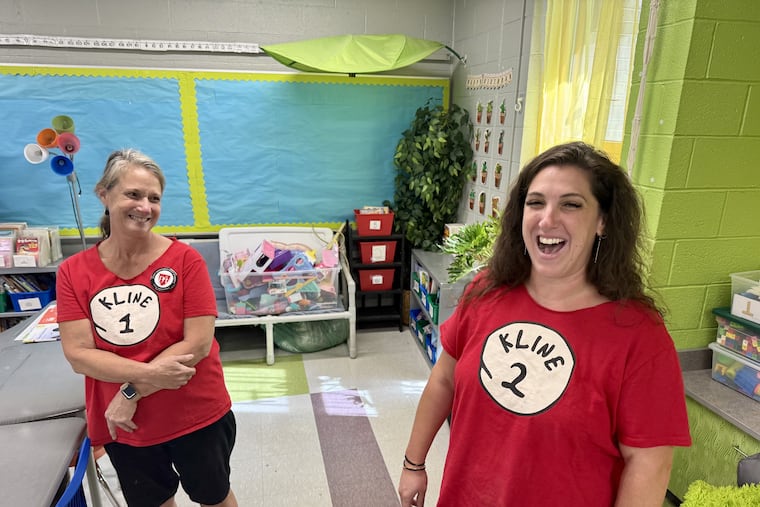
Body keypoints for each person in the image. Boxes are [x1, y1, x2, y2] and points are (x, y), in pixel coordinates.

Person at [398, 142, 692, 506]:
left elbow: (649, 464)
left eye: (571, 204)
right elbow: (444, 379)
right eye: (535, 202)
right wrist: (414, 463)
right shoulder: (488, 290)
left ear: (603, 221)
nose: (547, 219)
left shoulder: (639, 335)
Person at [57, 149, 238, 507]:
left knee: (213, 496)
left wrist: (130, 392)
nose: (145, 206)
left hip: (192, 411)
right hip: (126, 425)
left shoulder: (185, 260)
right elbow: (78, 353)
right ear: (103, 194)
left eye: (154, 198)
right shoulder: (74, 272)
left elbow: (198, 342)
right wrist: (143, 383)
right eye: (133, 194)